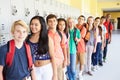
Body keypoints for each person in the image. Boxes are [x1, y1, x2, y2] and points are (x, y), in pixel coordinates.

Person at [26, 16, 57, 80]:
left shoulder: (47, 38)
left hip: (46, 68)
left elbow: (53, 57)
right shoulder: (27, 38)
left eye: (36, 25)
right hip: (33, 70)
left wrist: (55, 75)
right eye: (31, 24)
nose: (33, 26)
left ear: (41, 26)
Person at [46, 14, 67, 80]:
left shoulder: (61, 34)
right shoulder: (45, 34)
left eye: (54, 21)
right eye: (50, 21)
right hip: (49, 61)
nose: (52, 23)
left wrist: (65, 59)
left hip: (59, 60)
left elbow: (63, 47)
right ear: (47, 23)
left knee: (60, 77)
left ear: (57, 22)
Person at [76, 15, 86, 80]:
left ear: (84, 21)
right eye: (79, 19)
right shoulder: (74, 26)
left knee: (82, 62)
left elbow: (80, 38)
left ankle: (80, 74)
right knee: (75, 62)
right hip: (74, 48)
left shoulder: (84, 29)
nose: (80, 20)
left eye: (82, 19)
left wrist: (76, 39)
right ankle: (75, 73)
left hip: (81, 48)